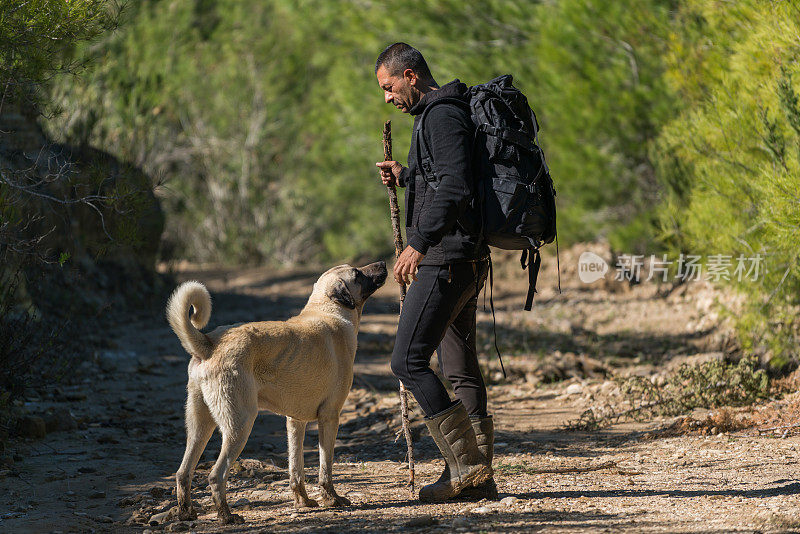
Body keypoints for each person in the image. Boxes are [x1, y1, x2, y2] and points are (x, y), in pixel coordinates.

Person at [374, 42, 497, 502]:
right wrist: (406, 176)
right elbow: (443, 177)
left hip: (446, 259)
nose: (387, 98)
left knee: (406, 360)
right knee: (459, 368)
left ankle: (464, 467)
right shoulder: (439, 114)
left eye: (389, 87)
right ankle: (478, 481)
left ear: (410, 75)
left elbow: (457, 187)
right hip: (464, 259)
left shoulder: (443, 114)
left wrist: (417, 243)